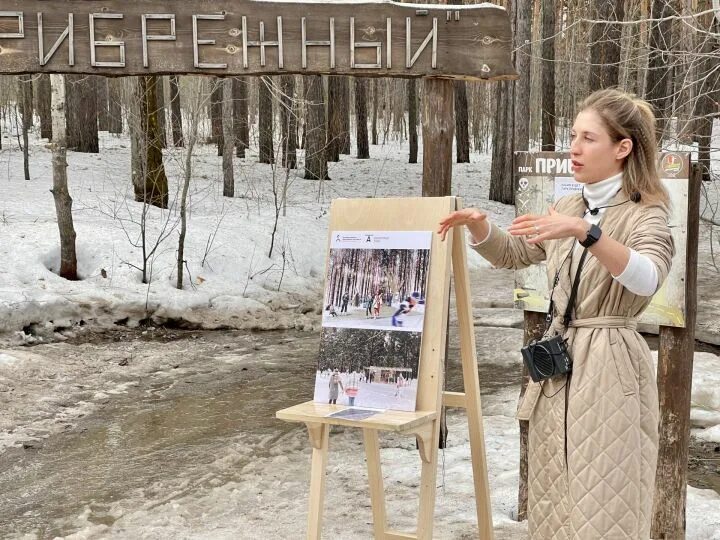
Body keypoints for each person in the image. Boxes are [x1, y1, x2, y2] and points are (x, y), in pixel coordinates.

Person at [438, 88, 674, 540]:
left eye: (589, 138)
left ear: (622, 148)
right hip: (559, 371)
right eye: (572, 135)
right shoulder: (570, 206)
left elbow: (647, 276)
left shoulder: (647, 212)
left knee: (605, 502)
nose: (574, 147)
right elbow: (516, 252)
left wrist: (588, 232)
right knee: (555, 502)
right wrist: (481, 226)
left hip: (611, 365)